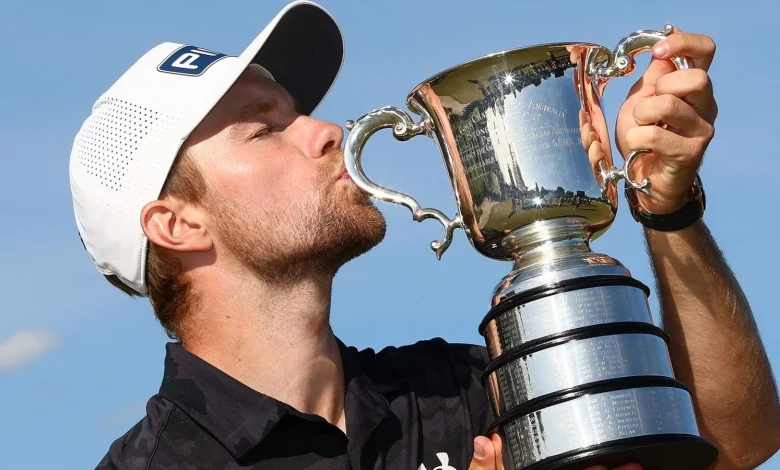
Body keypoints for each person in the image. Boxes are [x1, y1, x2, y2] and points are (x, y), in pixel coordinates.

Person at [69, 2, 779, 469]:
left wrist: (668, 208)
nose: (327, 132)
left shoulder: (459, 389)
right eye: (266, 128)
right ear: (177, 224)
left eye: (300, 113)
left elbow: (735, 443)